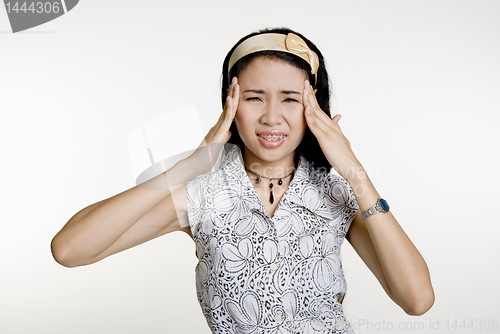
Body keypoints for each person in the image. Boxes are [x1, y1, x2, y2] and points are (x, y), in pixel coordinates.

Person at [51, 27, 434, 333]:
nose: (271, 117)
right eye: (253, 98)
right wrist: (189, 166)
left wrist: (354, 171)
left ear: (314, 105)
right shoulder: (202, 195)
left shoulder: (335, 194)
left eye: (289, 98)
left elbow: (417, 300)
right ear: (230, 105)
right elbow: (69, 250)